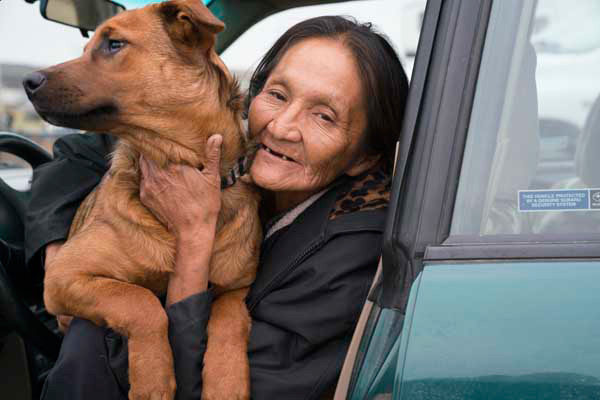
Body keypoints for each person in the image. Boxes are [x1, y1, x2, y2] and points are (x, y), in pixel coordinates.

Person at [25, 16, 408, 400]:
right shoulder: (234, 156)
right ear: (250, 96)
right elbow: (78, 153)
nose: (281, 127)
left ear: (364, 157)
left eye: (324, 116)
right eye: (277, 94)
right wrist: (58, 245)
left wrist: (194, 237)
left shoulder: (350, 258)